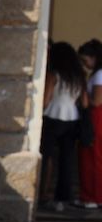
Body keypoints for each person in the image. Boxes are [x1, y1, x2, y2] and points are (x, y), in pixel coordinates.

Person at [40, 41, 87, 212]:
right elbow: (85, 102)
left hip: (53, 116)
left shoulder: (54, 75)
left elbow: (46, 100)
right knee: (67, 160)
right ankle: (63, 198)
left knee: (46, 156)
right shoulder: (79, 77)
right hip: (72, 118)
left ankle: (42, 193)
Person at [77, 39, 102, 209]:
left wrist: (83, 94)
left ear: (94, 58)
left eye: (85, 60)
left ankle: (92, 196)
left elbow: (97, 101)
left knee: (92, 157)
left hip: (96, 117)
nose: (84, 65)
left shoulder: (99, 75)